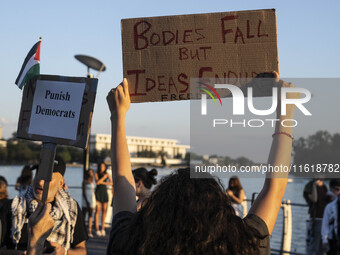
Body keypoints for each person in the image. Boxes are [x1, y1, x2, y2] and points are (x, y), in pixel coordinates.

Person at [104, 76, 300, 254]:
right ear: (220, 213)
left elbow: (122, 182)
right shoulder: (245, 247)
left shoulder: (129, 245)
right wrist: (286, 112)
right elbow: (274, 189)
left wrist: (117, 116)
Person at [0, 156, 87, 254]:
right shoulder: (12, 207)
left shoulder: (72, 210)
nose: (40, 182)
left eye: (48, 178)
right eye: (39, 174)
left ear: (60, 183)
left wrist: (65, 252)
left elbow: (82, 251)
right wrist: (20, 254)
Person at [304, 177, 330, 255]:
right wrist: (315, 186)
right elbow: (314, 199)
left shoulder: (324, 187)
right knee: (314, 244)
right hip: (316, 218)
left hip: (325, 219)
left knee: (323, 245)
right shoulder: (309, 186)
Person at [321, 179, 340, 255]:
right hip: (333, 239)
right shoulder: (330, 207)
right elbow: (325, 223)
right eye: (337, 190)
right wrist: (324, 240)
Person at [95, 162, 113, 237]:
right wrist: (104, 178)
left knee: (104, 211)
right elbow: (97, 182)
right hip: (98, 193)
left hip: (104, 193)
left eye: (103, 166)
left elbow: (111, 183)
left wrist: (103, 182)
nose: (102, 167)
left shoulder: (107, 174)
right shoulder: (96, 173)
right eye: (101, 166)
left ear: (105, 167)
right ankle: (97, 229)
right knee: (97, 211)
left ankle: (102, 228)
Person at [82, 169, 96, 238]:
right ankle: (83, 231)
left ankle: (89, 231)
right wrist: (86, 200)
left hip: (92, 198)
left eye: (91, 172)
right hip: (86, 199)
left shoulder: (93, 181)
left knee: (90, 215)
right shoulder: (85, 181)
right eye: (89, 172)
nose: (90, 173)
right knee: (84, 215)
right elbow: (84, 192)